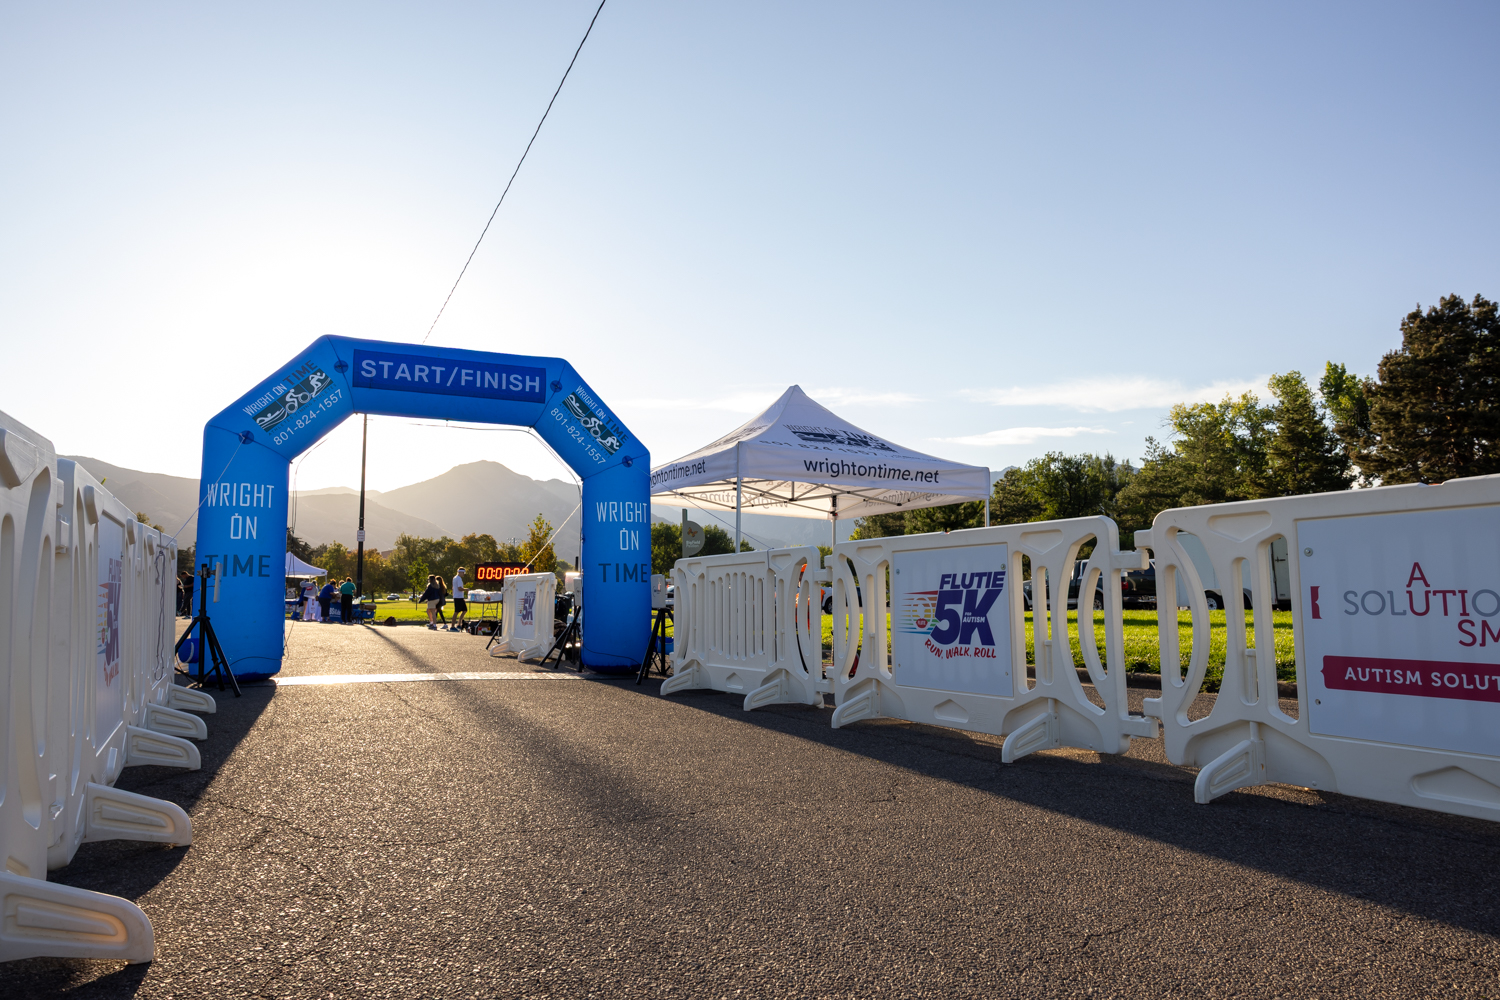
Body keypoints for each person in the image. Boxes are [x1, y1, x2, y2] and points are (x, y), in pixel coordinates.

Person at [450, 566, 467, 632]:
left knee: (464, 610)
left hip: (459, 596)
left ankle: (458, 624)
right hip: (458, 597)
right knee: (456, 611)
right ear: (460, 572)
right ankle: (452, 626)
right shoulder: (459, 578)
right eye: (463, 573)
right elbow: (459, 588)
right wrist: (466, 589)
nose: (463, 574)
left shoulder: (455, 578)